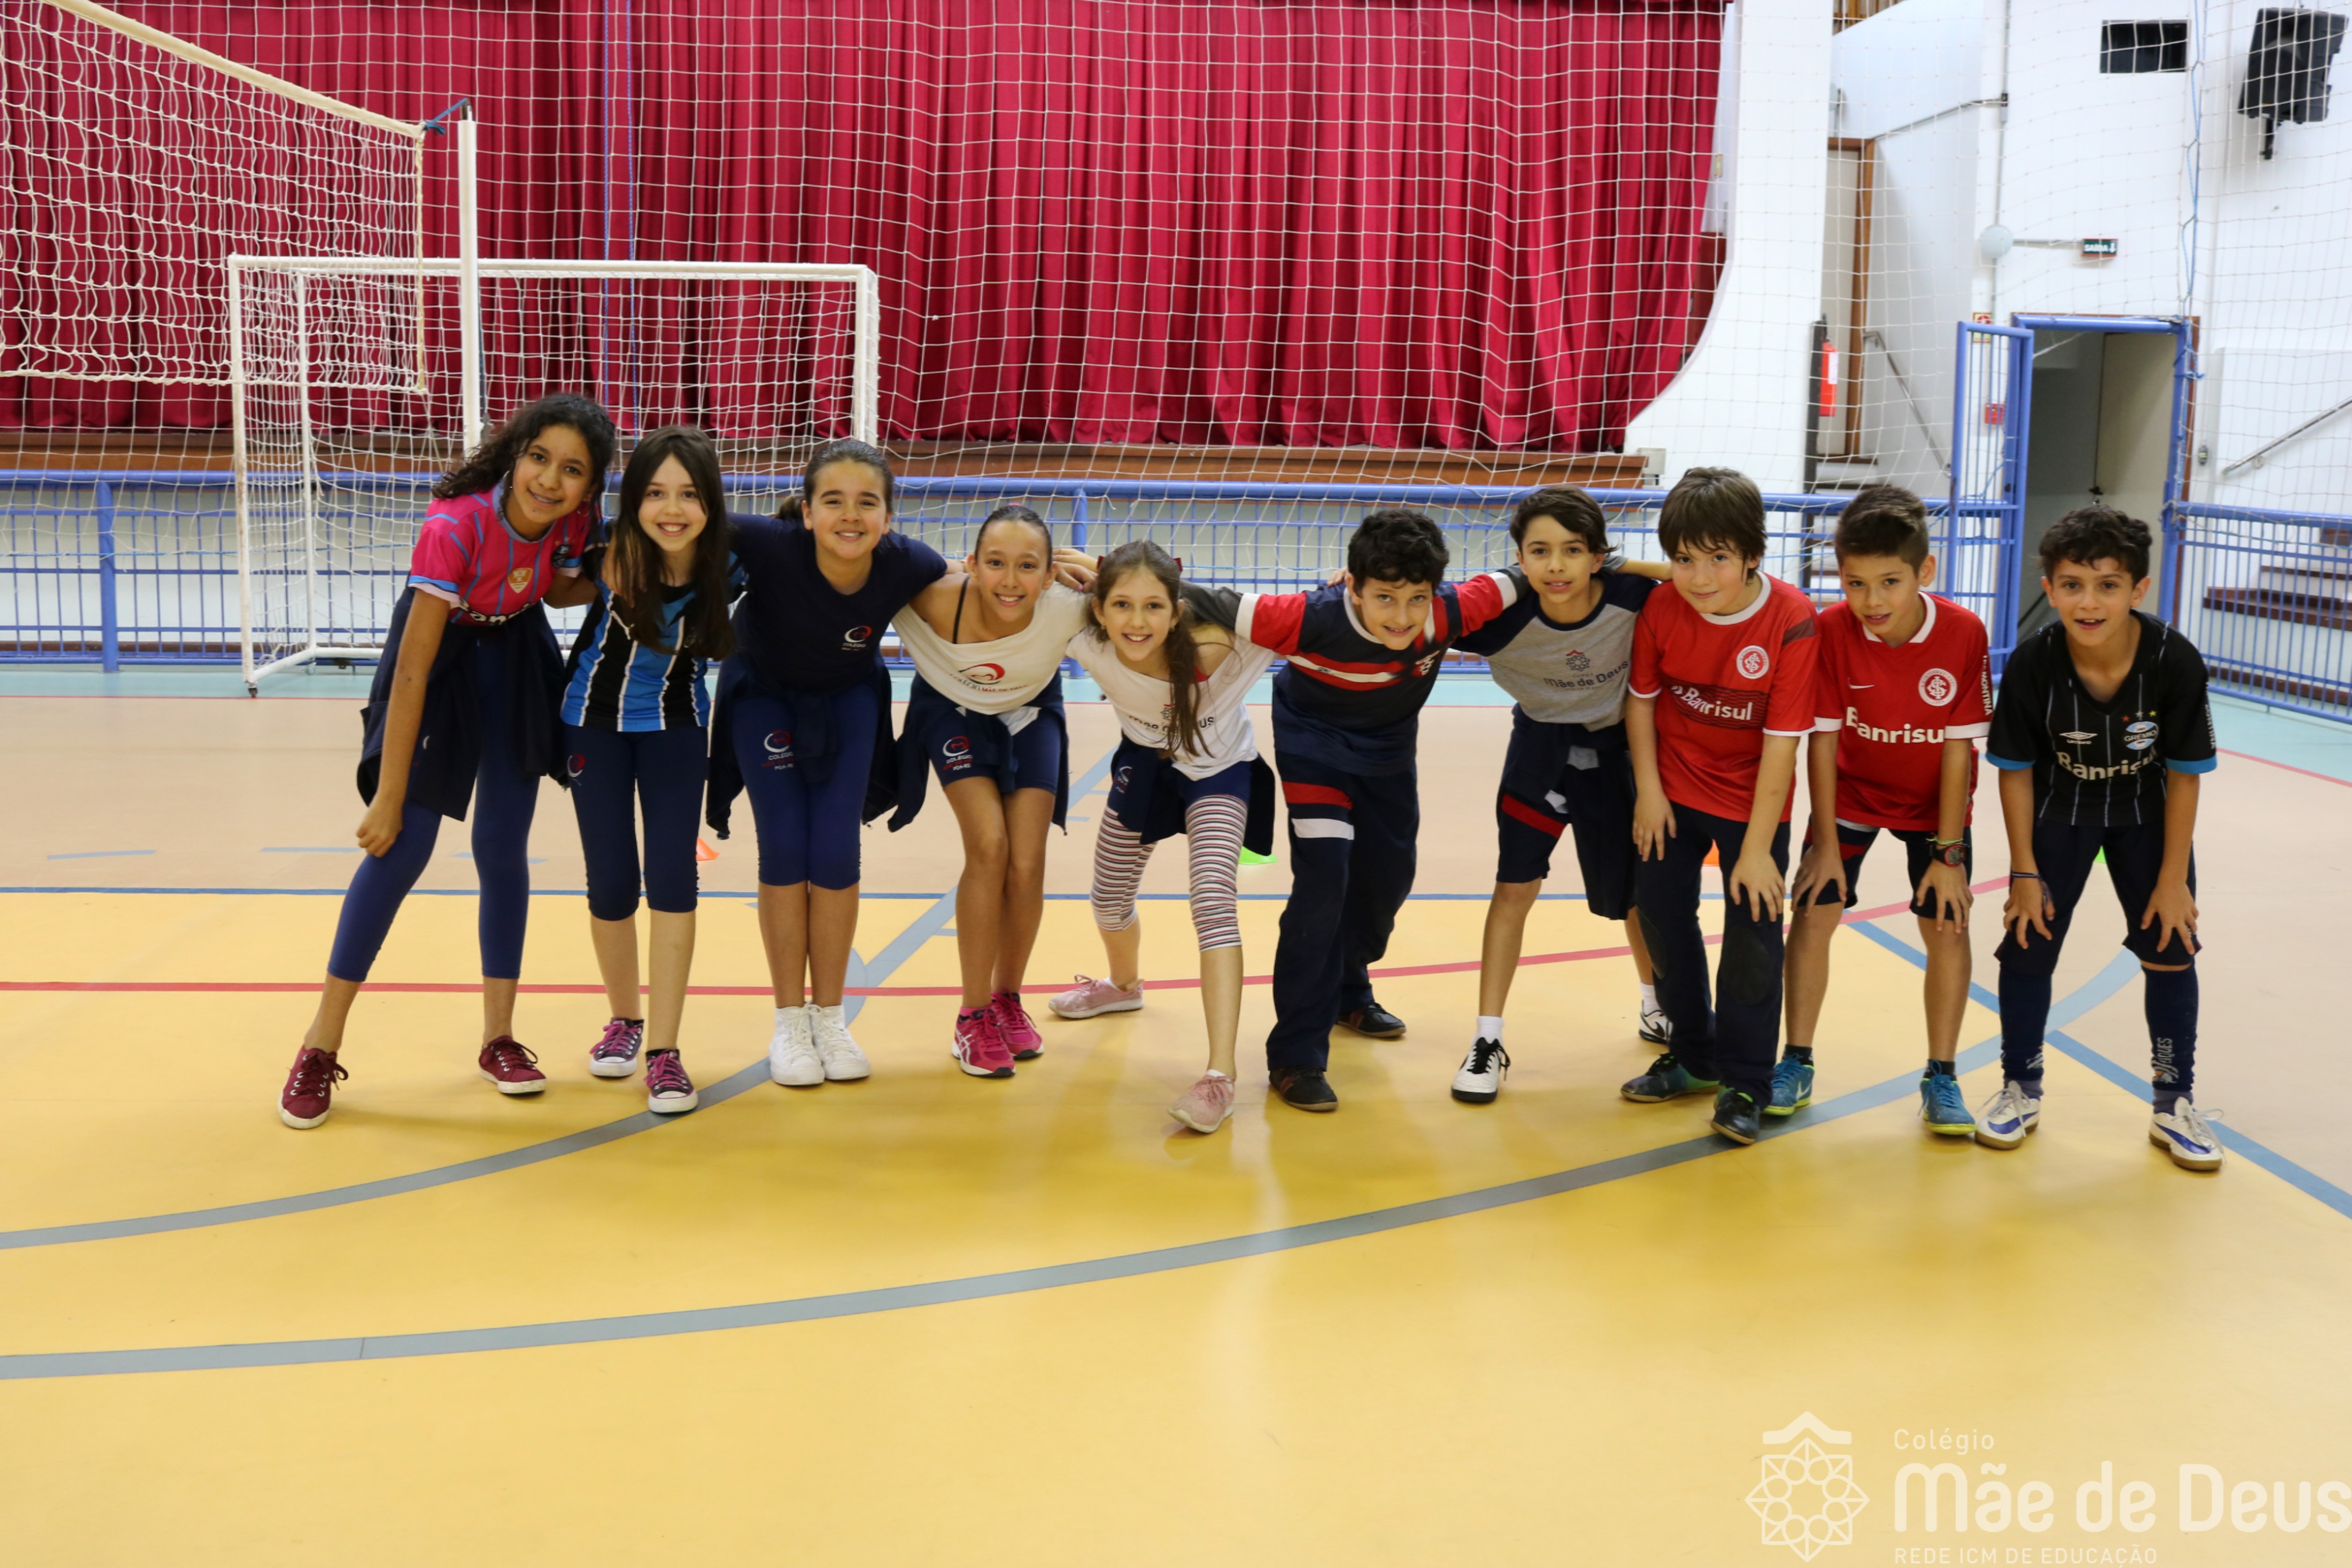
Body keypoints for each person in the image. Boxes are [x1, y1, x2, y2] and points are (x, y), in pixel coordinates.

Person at [276, 394, 617, 1129]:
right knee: (401, 846)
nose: (550, 479)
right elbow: (412, 671)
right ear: (515, 456)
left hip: (515, 649)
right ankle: (319, 1044)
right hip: (442, 659)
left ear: (590, 488)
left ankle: (499, 1038)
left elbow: (556, 586)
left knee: (502, 848)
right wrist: (388, 794)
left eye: (572, 470)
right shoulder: (454, 526)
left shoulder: (577, 521)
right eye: (539, 458)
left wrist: (612, 572)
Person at [1184, 508, 1521, 1112]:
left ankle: (1347, 988)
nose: (1402, 617)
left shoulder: (1452, 611)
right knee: (1323, 883)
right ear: (1355, 587)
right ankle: (1295, 1057)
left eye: (1416, 599)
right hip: (1314, 747)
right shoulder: (1306, 618)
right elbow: (1206, 598)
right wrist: (1108, 574)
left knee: (1388, 879)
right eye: (1384, 597)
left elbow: (1530, 574)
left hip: (1389, 753)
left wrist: (1621, 566)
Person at [1980, 507, 2220, 1170]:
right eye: (2073, 585)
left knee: (2171, 946)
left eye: (2108, 585)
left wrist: (2172, 879)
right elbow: (2015, 772)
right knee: (2028, 943)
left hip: (2146, 816)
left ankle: (2174, 1102)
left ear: (2139, 589)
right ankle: (2020, 1088)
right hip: (2061, 813)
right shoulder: (2033, 664)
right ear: (2050, 588)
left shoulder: (2174, 661)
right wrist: (2023, 871)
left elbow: (2186, 776)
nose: (2089, 603)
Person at [706, 439, 947, 1087]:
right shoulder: (767, 543)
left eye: (867, 503)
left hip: (848, 699)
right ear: (808, 512)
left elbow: (978, 584)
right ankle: (790, 1020)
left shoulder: (909, 563)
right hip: (763, 696)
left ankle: (831, 1018)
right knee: (785, 846)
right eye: (833, 501)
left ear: (889, 517)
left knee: (837, 850)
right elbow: (680, 518)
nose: (850, 515)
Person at [1781, 485, 1992, 1134]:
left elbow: (1959, 754)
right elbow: (1821, 741)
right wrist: (1823, 844)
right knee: (1813, 911)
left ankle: (1942, 1075)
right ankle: (1796, 1061)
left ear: (1926, 571)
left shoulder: (1963, 633)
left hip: (1935, 808)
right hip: (1850, 795)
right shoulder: (1829, 631)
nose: (1872, 601)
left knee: (1947, 925)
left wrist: (1949, 856)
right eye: (1856, 584)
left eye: (1890, 583)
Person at [1446, 486, 1666, 1103]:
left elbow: (1695, 578)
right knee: (1513, 889)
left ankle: (1656, 1006)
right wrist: (1350, 585)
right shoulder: (1498, 620)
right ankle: (1488, 1040)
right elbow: (1412, 611)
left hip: (1617, 757)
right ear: (1519, 559)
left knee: (1635, 898)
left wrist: (1624, 562)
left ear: (1599, 557)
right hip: (1540, 753)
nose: (1556, 566)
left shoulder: (1633, 596)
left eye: (1574, 551)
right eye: (1539, 552)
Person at [1051, 541, 1280, 1133]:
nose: (1137, 621)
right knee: (1108, 899)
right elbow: (1008, 598)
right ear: (1099, 610)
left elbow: (1308, 622)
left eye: (1154, 606)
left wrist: (1339, 586)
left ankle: (1220, 1076)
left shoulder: (1227, 648)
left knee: (1212, 901)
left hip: (1221, 774)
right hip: (1147, 768)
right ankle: (1123, 986)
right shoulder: (1087, 642)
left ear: (1177, 613)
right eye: (1122, 605)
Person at [1621, 466, 1820, 1147]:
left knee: (1753, 937)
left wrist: (1759, 849)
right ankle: (1695, 1055)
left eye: (1718, 560)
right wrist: (1650, 793)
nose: (1699, 578)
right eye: (1683, 560)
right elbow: (1641, 705)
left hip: (1751, 801)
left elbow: (1783, 744)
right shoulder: (1662, 608)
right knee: (1660, 917)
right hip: (1672, 789)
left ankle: (1745, 1084)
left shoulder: (1792, 620)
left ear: (1753, 556)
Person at [562, 426, 742, 1114]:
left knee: (672, 878)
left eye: (689, 495)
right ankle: (624, 1021)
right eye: (656, 493)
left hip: (677, 731)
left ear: (711, 504)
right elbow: (549, 587)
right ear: (633, 499)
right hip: (592, 727)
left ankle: (665, 1052)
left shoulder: (731, 562)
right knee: (610, 881)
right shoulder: (606, 551)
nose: (672, 509)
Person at [890, 504, 1097, 1079]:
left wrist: (1100, 569)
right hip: (949, 709)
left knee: (1027, 861)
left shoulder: (1069, 607)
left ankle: (1008, 998)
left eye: (1028, 566)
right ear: (972, 565)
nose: (1010, 581)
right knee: (989, 847)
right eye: (996, 563)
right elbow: (857, 569)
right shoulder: (932, 598)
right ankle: (972, 1015)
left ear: (1050, 575)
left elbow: (1154, 594)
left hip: (1031, 709)